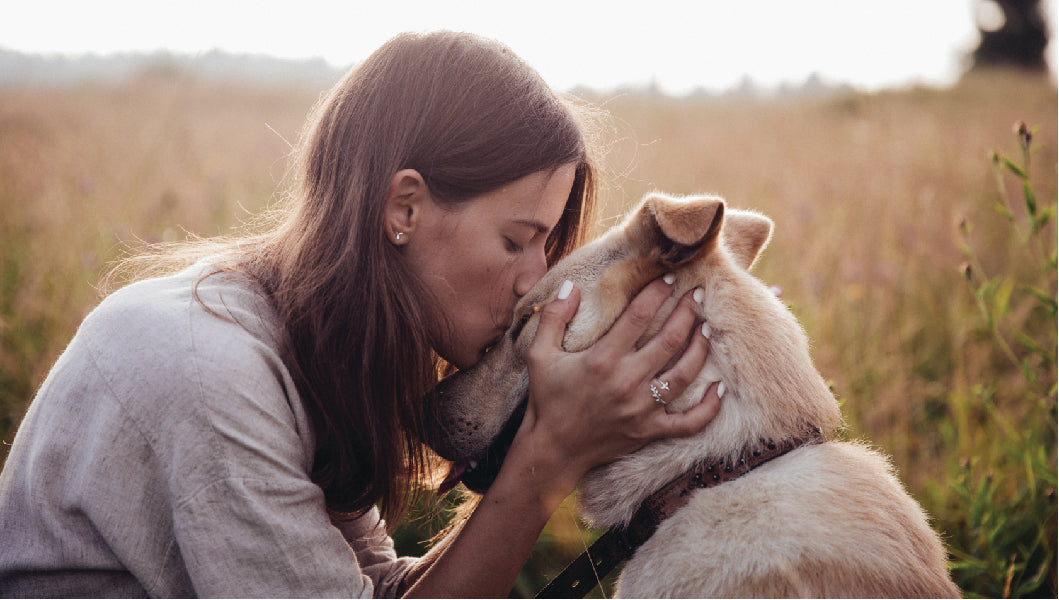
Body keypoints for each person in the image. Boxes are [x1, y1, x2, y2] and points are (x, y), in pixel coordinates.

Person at [0, 31, 721, 597]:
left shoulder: (311, 352)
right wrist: (547, 458)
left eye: (548, 248)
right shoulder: (208, 369)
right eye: (515, 242)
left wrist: (553, 451)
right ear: (402, 208)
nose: (535, 284)